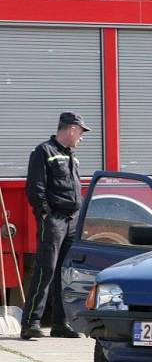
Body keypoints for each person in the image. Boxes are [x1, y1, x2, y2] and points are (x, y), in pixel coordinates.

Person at [21, 112, 91, 340]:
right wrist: (45, 215)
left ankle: (61, 324)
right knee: (46, 269)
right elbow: (35, 188)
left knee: (65, 273)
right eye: (80, 132)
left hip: (72, 220)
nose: (81, 137)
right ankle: (30, 323)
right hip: (54, 220)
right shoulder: (44, 151)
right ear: (70, 129)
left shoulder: (71, 155)